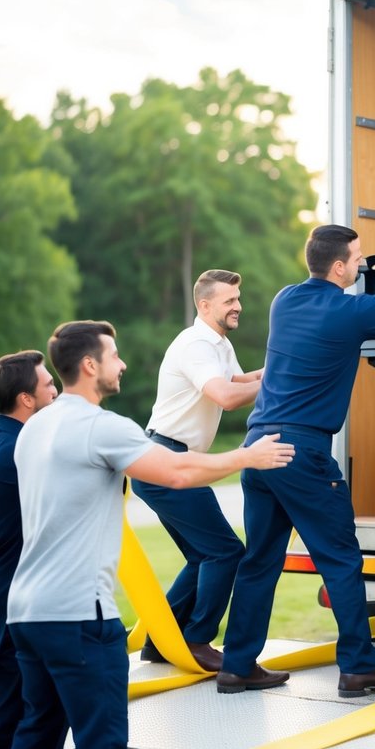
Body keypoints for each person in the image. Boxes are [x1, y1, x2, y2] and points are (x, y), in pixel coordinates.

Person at [5, 320, 294, 749]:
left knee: (37, 735)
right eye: (113, 356)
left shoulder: (33, 430)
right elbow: (176, 472)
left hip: (26, 613)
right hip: (79, 616)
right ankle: (192, 636)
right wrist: (247, 456)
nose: (121, 365)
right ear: (89, 365)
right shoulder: (102, 426)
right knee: (102, 740)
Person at [218, 224, 375, 695]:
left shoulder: (285, 299)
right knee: (340, 558)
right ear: (339, 265)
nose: (362, 264)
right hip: (301, 453)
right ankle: (359, 667)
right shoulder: (355, 309)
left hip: (258, 446)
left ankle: (237, 666)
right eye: (357, 257)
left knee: (259, 561)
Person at [132, 269, 264, 671]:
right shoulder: (195, 345)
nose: (238, 306)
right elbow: (226, 396)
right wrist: (277, 381)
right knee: (225, 552)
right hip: (167, 460)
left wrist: (283, 365)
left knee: (202, 555)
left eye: (238, 298)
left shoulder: (218, 343)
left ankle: (161, 639)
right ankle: (196, 638)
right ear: (205, 305)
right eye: (229, 301)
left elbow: (241, 379)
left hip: (173, 457)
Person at [0, 350, 59, 749]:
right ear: (26, 399)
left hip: (4, 599)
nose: (57, 390)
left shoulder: (4, 440)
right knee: (7, 723)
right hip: (5, 607)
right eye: (50, 384)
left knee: (33, 714)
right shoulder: (17, 452)